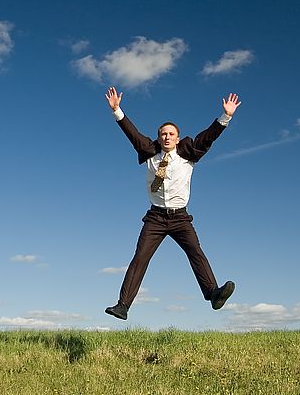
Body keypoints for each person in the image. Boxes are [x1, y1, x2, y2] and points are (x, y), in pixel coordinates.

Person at [103, 85, 240, 321]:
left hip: (180, 218)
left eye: (171, 134)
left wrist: (225, 117)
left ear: (177, 138)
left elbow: (207, 137)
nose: (167, 137)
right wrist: (117, 111)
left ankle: (213, 293)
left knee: (195, 252)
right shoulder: (149, 153)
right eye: (163, 134)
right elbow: (133, 134)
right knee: (140, 259)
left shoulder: (188, 154)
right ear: (159, 137)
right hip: (155, 218)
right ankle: (123, 305)